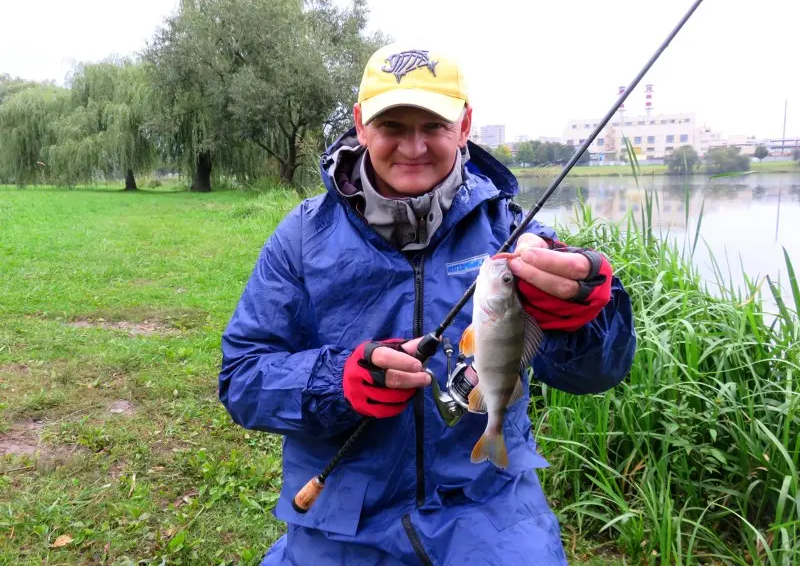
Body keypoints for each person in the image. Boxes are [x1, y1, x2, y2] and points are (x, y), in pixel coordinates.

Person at [219, 43, 636, 566]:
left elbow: (601, 372)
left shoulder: (517, 236)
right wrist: (337, 381)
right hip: (343, 514)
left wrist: (587, 316)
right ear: (361, 125)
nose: (413, 147)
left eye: (433, 126)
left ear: (463, 127)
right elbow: (242, 376)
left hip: (489, 504)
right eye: (393, 125)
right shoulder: (302, 237)